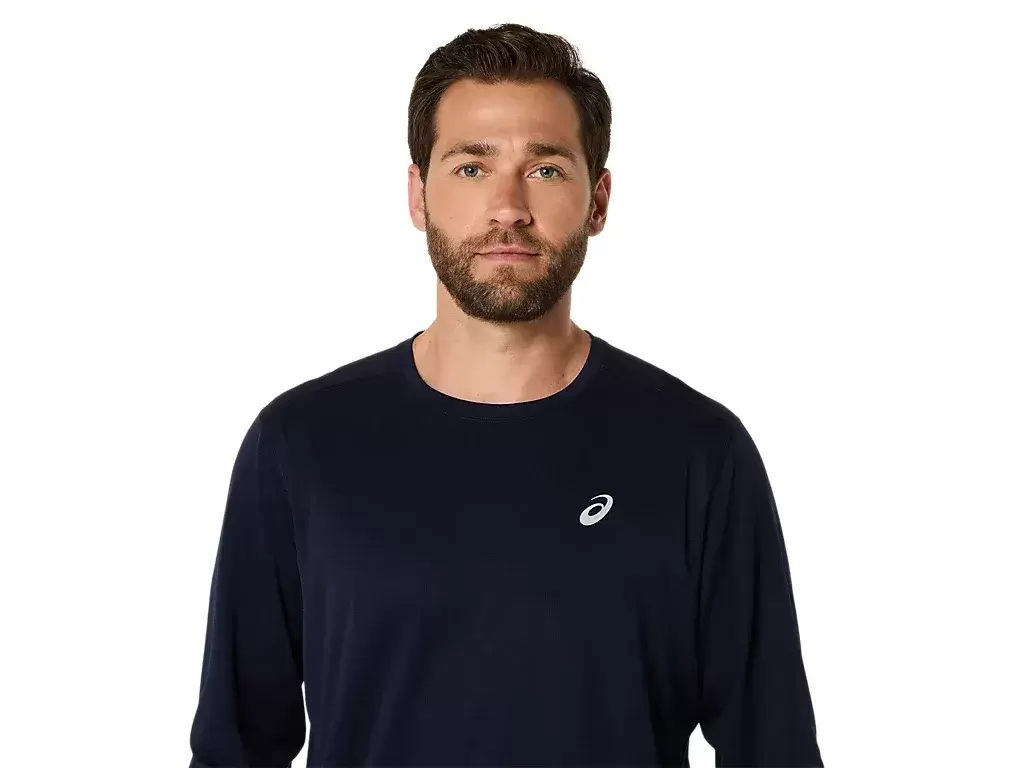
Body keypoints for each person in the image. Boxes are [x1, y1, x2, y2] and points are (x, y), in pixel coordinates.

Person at [187, 22, 824, 768]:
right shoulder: (299, 446)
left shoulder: (699, 454)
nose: (508, 207)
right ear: (418, 195)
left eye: (546, 169)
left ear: (598, 200)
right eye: (471, 167)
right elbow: (235, 750)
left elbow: (773, 749)